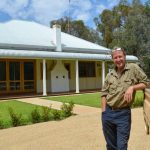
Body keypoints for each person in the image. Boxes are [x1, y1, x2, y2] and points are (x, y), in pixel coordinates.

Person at [101, 47, 149, 150]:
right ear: (113, 59)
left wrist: (132, 87)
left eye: (120, 56)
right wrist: (104, 112)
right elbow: (104, 93)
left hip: (123, 114)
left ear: (125, 56)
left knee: (122, 146)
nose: (118, 60)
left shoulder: (133, 68)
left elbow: (146, 83)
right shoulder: (110, 75)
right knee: (110, 145)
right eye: (115, 57)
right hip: (108, 113)